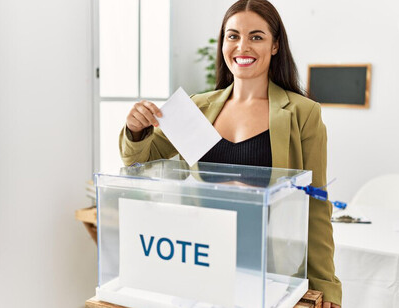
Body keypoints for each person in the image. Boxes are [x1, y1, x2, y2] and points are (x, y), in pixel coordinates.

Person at [119, 0, 342, 306]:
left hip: (270, 271)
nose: (242, 46)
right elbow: (138, 161)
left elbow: (315, 204)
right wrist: (135, 128)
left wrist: (324, 283)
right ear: (223, 42)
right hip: (200, 260)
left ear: (275, 45)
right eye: (233, 36)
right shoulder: (197, 108)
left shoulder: (303, 113)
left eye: (256, 36)